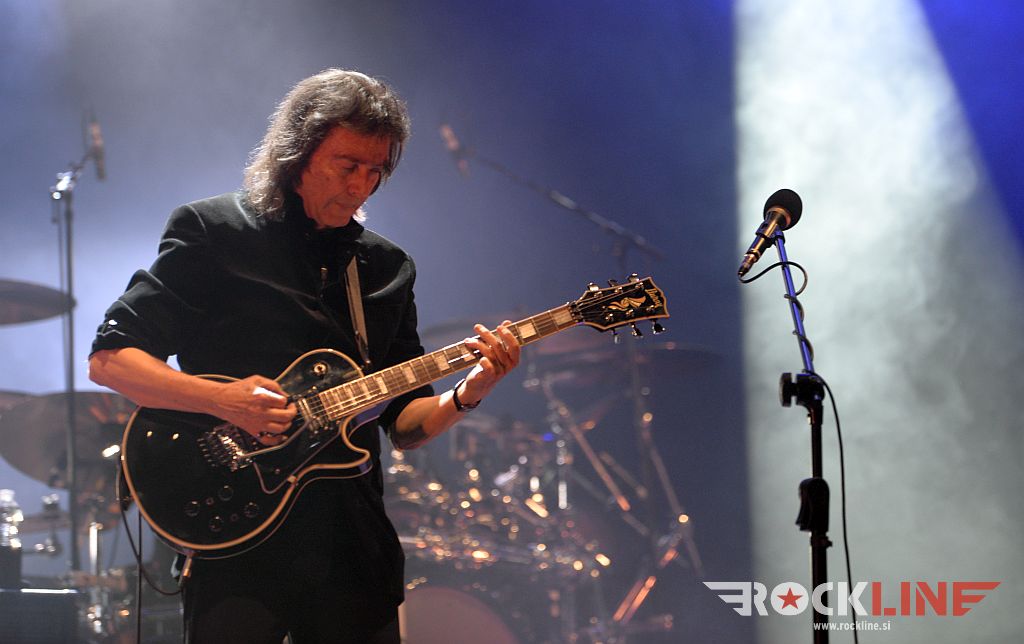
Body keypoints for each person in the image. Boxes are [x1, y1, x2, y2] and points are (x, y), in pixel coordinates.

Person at [88, 68, 520, 643]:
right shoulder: (215, 231)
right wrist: (224, 400)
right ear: (297, 154)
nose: (361, 186)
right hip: (237, 540)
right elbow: (111, 359)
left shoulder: (386, 268)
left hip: (351, 546)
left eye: (376, 171)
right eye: (347, 165)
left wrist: (470, 392)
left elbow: (405, 424)